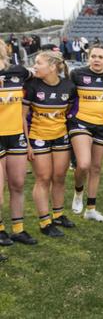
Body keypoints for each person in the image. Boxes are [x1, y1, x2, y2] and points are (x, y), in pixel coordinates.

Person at [22, 51, 76, 237]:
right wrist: (27, 144)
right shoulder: (31, 85)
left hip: (61, 137)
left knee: (59, 177)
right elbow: (22, 117)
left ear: (52, 67)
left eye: (38, 62)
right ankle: (45, 222)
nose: (34, 66)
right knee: (43, 178)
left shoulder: (69, 86)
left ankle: (58, 214)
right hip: (38, 137)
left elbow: (67, 110)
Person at [68, 44, 103, 222]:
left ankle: (91, 209)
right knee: (83, 164)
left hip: (102, 125)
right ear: (88, 58)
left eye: (100, 57)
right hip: (80, 123)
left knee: (96, 168)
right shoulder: (77, 74)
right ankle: (78, 192)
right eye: (93, 56)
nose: (96, 60)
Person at [0, 39, 37, 245]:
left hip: (16, 135)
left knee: (18, 183)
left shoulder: (19, 72)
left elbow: (40, 74)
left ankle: (18, 229)